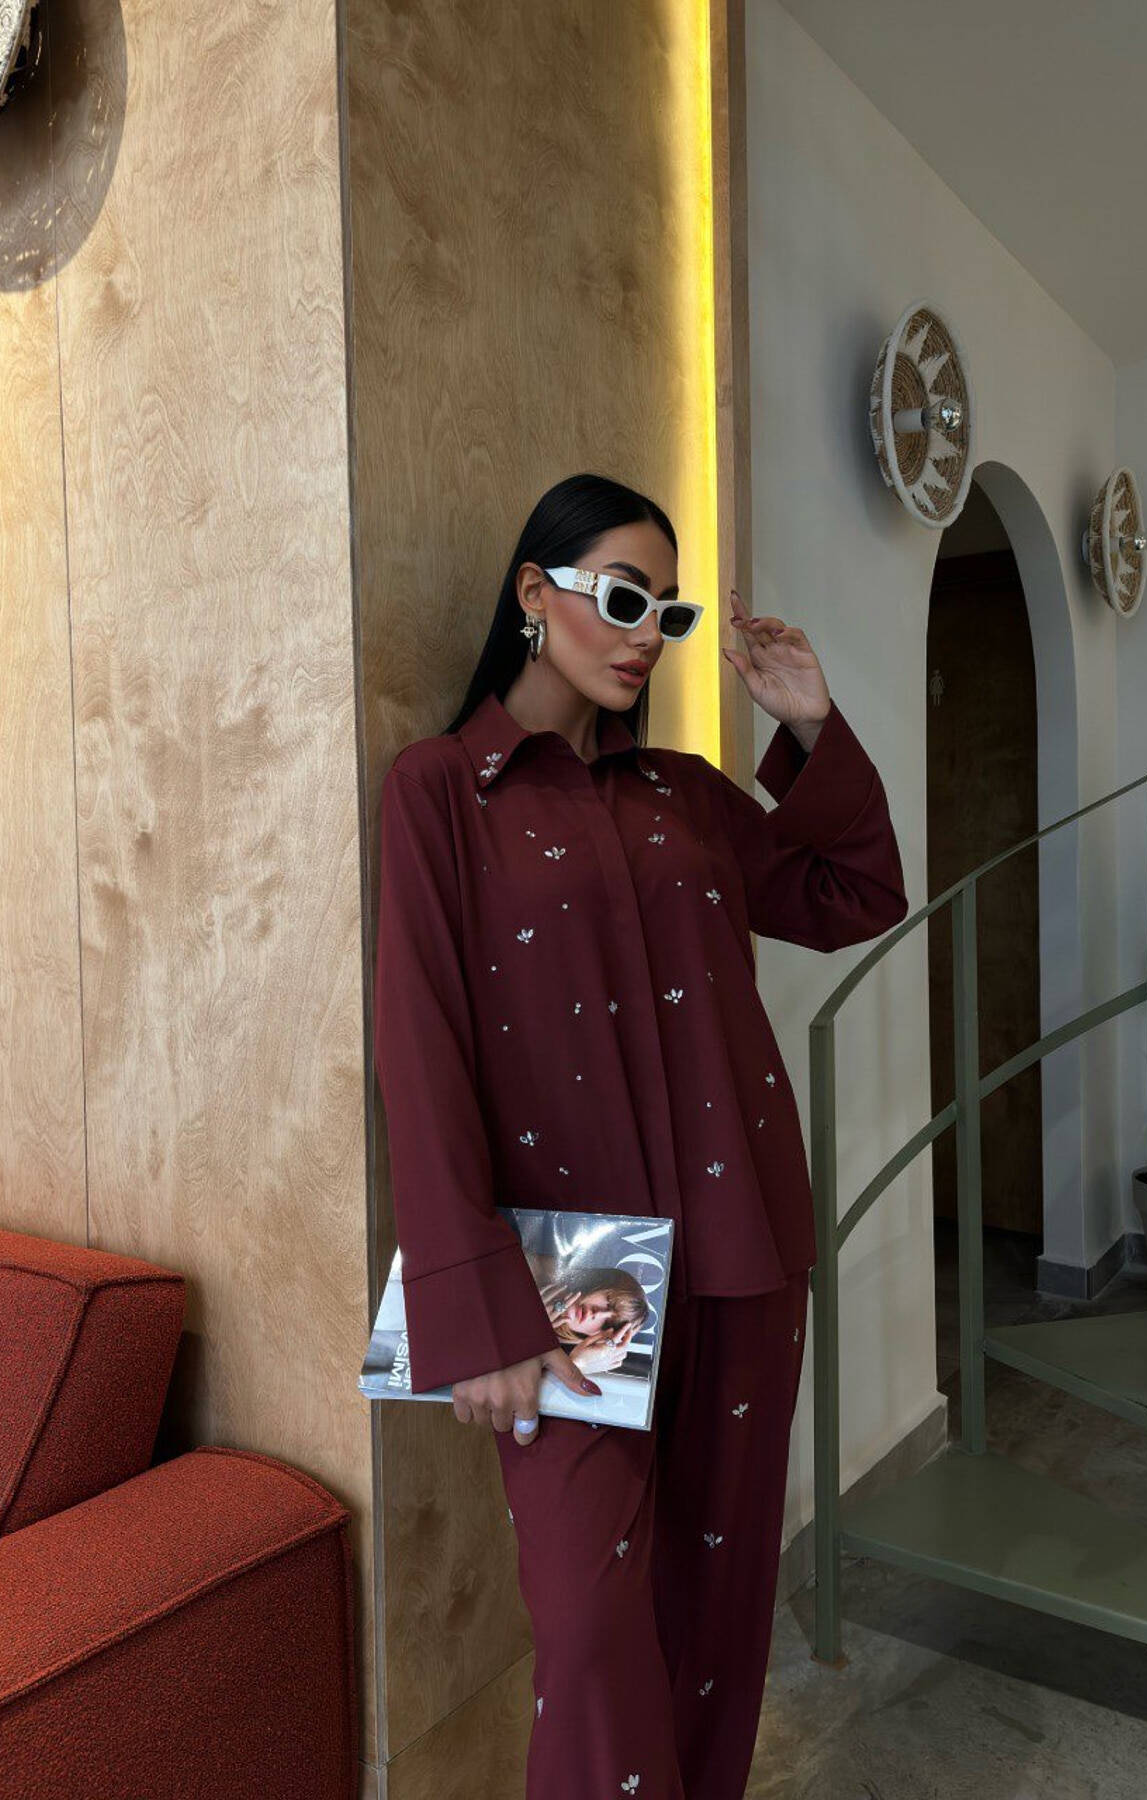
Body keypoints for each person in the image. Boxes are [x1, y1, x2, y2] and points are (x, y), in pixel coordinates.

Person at [373, 471, 908, 1798]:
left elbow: (857, 894)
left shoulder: (685, 794)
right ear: (533, 593)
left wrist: (810, 722)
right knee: (590, 1631)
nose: (643, 634)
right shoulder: (441, 791)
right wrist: (472, 1310)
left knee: (717, 1614)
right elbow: (420, 1051)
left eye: (665, 612)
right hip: (569, 1268)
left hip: (742, 1239)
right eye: (622, 598)